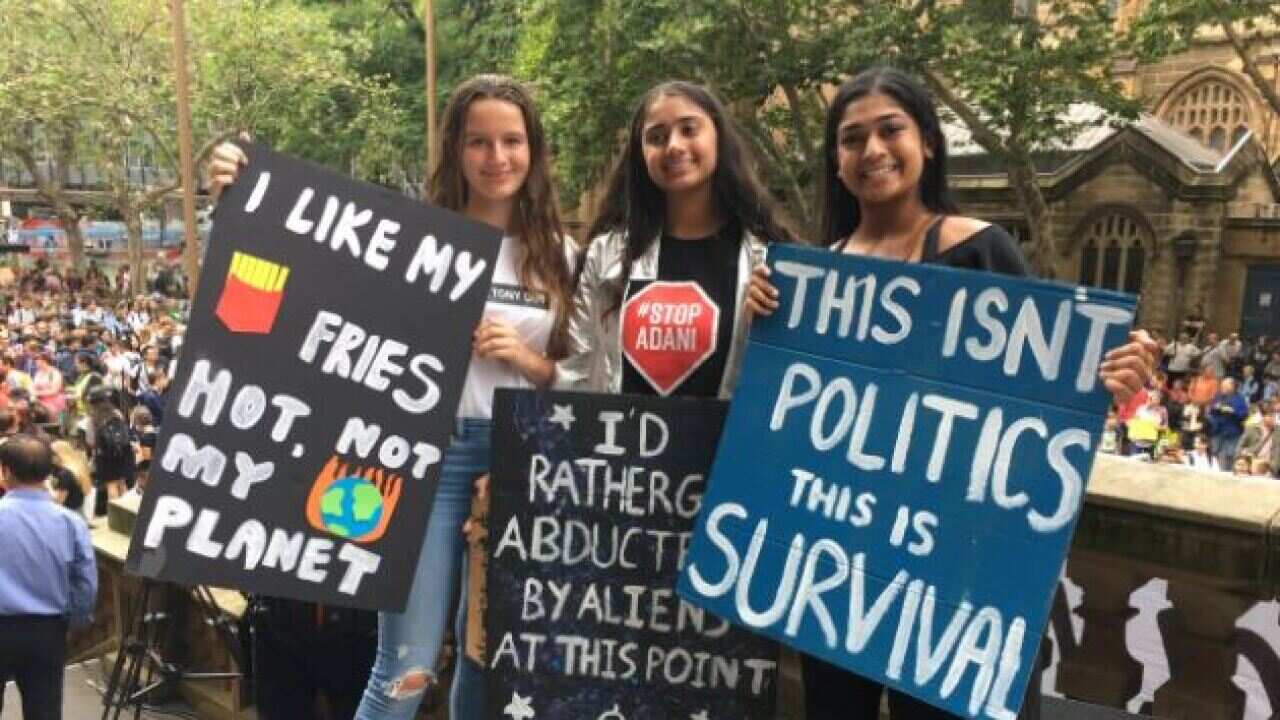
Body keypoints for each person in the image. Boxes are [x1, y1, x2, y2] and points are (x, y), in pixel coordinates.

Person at [744, 67, 1156, 720]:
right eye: (852, 139)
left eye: (890, 130)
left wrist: (1112, 369)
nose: (872, 150)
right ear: (836, 162)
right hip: (837, 570)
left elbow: (1045, 397)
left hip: (951, 575)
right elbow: (781, 422)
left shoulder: (981, 251)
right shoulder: (811, 278)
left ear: (928, 142)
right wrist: (762, 318)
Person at [210, 74, 575, 720]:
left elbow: (586, 378)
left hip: (521, 466)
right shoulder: (410, 242)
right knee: (405, 664)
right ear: (455, 151)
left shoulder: (563, 256)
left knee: (485, 661)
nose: (497, 158)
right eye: (479, 142)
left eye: (512, 141)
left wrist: (529, 361)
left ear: (534, 149)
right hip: (423, 461)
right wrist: (238, 201)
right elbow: (308, 293)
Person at [554, 80, 797, 398]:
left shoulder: (768, 261)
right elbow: (576, 371)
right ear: (641, 154)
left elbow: (788, 384)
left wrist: (765, 328)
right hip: (621, 444)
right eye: (656, 137)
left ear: (718, 138)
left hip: (724, 446)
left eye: (689, 129)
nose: (674, 146)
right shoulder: (606, 256)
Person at [0, 434, 97, 720]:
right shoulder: (70, 523)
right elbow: (85, 582)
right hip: (47, 629)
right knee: (44, 711)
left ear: (5, 470)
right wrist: (75, 620)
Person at [85, 385, 135, 517]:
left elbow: (90, 441)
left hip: (105, 456)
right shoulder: (116, 413)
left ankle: (116, 517)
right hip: (123, 452)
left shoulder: (93, 418)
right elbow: (125, 433)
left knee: (111, 486)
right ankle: (128, 514)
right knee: (122, 483)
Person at [1205, 377, 1248, 469]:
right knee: (1214, 453)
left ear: (1232, 386)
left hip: (1232, 432)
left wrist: (1232, 411)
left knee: (1229, 455)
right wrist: (1217, 407)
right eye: (1222, 386)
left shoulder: (1240, 399)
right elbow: (1211, 408)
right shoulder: (1218, 396)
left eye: (1225, 386)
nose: (1222, 387)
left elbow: (1243, 415)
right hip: (1217, 430)